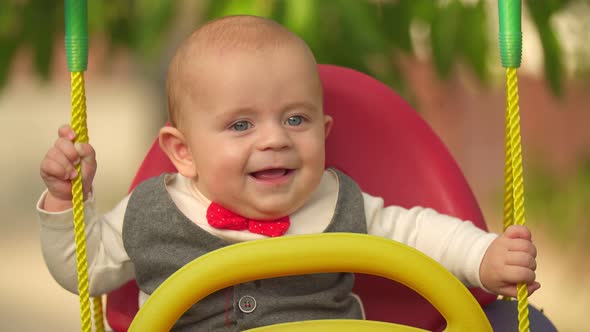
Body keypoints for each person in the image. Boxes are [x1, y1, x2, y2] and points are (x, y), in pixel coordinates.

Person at [38, 15, 541, 331]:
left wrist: (484, 255)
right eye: (240, 124)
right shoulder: (153, 210)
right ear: (183, 151)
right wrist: (66, 201)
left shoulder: (335, 199)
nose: (275, 138)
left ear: (323, 131)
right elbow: (84, 270)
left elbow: (417, 232)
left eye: (295, 119)